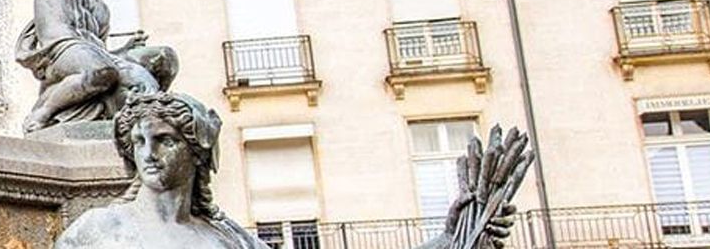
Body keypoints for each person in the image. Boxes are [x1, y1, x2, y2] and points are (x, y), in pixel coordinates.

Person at [58, 92, 528, 249]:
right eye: (137, 142)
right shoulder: (98, 231)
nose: (148, 154)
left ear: (197, 152)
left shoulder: (228, 240)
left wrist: (453, 238)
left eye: (164, 140)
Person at [17, 0, 176, 131]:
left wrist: (124, 50)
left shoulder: (102, 8)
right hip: (61, 49)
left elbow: (99, 50)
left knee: (163, 60)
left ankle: (143, 126)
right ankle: (43, 112)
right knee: (103, 71)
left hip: (95, 55)